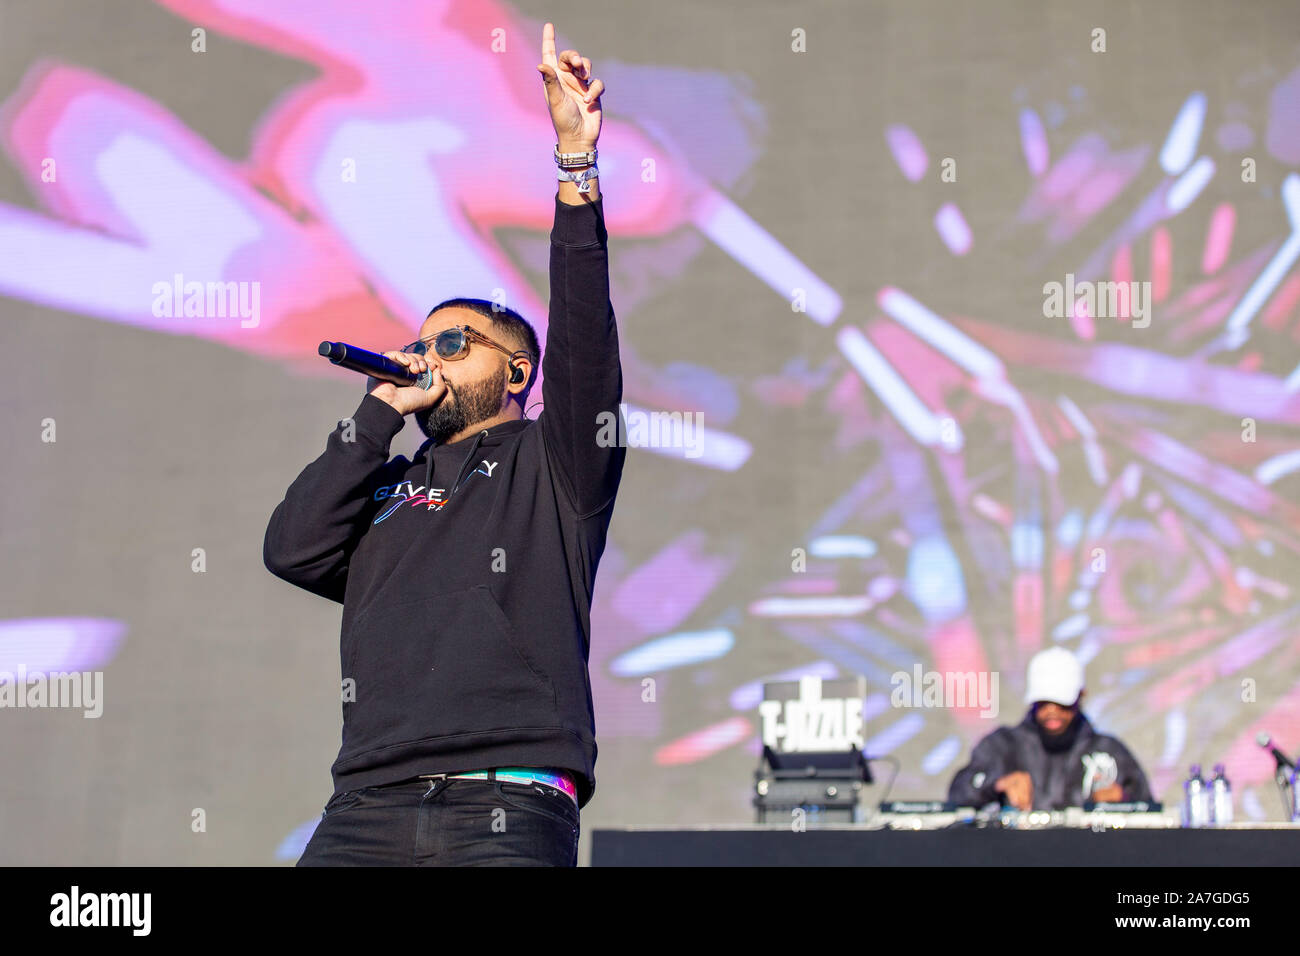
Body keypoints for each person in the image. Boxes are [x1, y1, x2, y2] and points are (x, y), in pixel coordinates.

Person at [263, 23, 621, 866]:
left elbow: (585, 337)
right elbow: (293, 548)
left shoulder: (556, 464)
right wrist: (377, 414)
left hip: (506, 798)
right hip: (365, 803)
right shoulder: (388, 485)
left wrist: (575, 166)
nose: (428, 358)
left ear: (518, 371)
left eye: (454, 345)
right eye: (422, 345)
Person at [947, 647, 1153, 811]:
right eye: (1044, 702)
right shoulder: (1001, 746)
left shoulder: (1109, 752)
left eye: (1062, 703)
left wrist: (1125, 802)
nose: (1052, 711)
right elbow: (957, 795)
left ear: (1081, 696)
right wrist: (996, 785)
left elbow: (1149, 811)